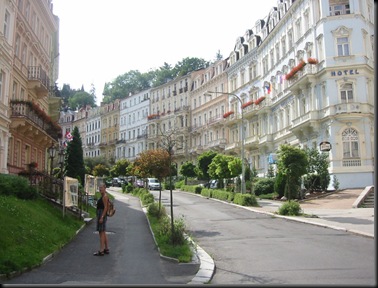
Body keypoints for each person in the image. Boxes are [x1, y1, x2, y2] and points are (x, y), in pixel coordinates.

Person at [94, 183, 110, 256]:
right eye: (99, 187)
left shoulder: (105, 197)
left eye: (101, 187)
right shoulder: (103, 196)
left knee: (101, 233)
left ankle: (101, 250)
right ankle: (106, 248)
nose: (100, 189)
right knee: (103, 232)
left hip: (102, 214)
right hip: (101, 214)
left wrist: (102, 217)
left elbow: (106, 208)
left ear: (105, 188)